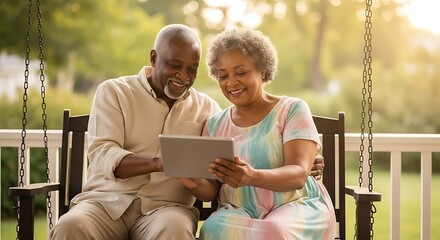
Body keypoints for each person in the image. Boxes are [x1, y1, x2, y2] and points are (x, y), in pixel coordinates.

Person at [49, 24, 324, 240]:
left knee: (175, 230)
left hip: (166, 208)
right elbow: (103, 154)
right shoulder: (115, 92)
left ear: (262, 71)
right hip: (106, 203)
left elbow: (221, 176)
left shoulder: (207, 109)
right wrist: (167, 165)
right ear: (154, 58)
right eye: (175, 65)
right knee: (71, 226)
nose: (183, 76)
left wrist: (305, 162)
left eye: (191, 69)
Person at [198, 28, 336, 239]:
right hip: (240, 210)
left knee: (273, 231)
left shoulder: (292, 110)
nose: (231, 82)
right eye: (223, 75)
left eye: (241, 72)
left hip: (295, 204)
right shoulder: (215, 125)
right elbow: (211, 188)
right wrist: (191, 181)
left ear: (262, 70)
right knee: (213, 228)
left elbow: (299, 174)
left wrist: (251, 176)